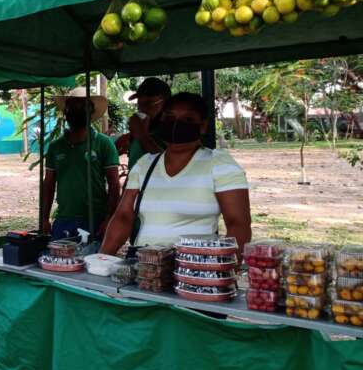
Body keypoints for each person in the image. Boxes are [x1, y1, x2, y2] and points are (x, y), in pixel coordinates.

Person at [100, 92, 252, 255]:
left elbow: (238, 224)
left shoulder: (219, 164)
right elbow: (123, 217)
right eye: (170, 118)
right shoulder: (145, 164)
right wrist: (102, 258)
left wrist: (225, 271)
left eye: (187, 120)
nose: (176, 124)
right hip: (146, 270)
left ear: (203, 126)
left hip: (194, 271)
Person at [41, 87, 121, 240]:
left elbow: (114, 184)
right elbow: (49, 183)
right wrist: (44, 218)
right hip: (63, 218)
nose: (76, 110)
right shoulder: (55, 146)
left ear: (91, 113)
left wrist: (109, 219)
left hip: (95, 218)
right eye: (72, 107)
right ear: (65, 111)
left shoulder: (104, 144)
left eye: (82, 107)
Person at [115, 77, 171, 171]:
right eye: (139, 103)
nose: (142, 108)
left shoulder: (171, 130)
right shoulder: (143, 130)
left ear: (165, 103)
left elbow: (169, 165)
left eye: (149, 103)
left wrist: (142, 135)